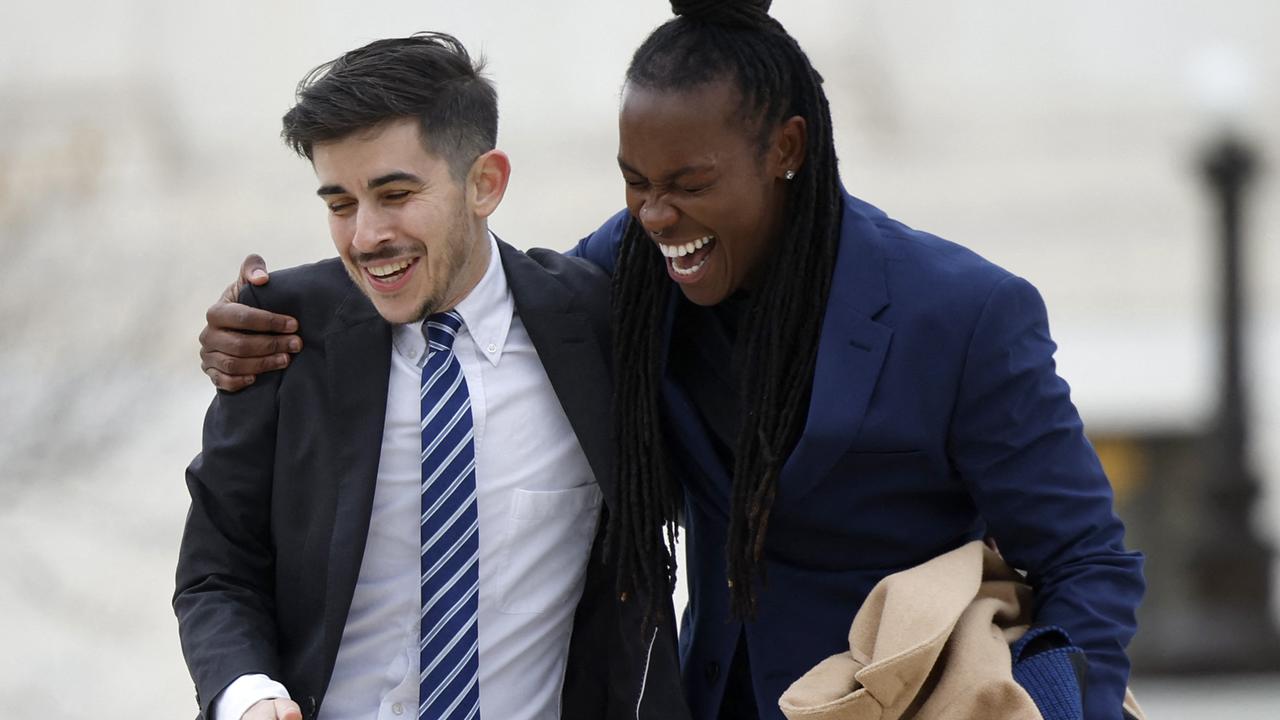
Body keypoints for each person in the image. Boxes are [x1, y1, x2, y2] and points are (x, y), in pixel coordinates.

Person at [199, 3, 1146, 719]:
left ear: (786, 149)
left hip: (908, 699)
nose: (657, 216)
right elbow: (459, 271)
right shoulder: (623, 279)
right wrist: (265, 322)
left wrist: (1062, 710)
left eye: (689, 185)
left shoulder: (966, 311)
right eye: (636, 185)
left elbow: (1086, 560)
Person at [174, 33, 689, 720]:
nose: (365, 235)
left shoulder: (599, 326)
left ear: (485, 183)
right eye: (339, 203)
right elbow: (217, 571)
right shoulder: (279, 336)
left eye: (395, 194)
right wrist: (248, 696)